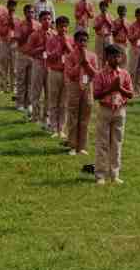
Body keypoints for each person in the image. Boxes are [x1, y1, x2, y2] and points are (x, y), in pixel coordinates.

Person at [92, 44, 134, 185]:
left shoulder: (124, 74)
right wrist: (111, 88)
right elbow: (96, 94)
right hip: (105, 109)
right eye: (113, 56)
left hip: (120, 110)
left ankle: (114, 174)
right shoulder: (100, 74)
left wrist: (120, 88)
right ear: (107, 57)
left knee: (117, 143)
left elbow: (131, 93)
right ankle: (100, 175)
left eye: (118, 56)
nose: (116, 59)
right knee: (102, 143)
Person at [63, 29, 98, 157]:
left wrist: (86, 63)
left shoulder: (93, 56)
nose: (83, 43)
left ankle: (82, 146)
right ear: (75, 42)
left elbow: (95, 74)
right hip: (74, 87)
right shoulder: (70, 56)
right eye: (80, 41)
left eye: (85, 40)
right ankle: (72, 145)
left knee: (85, 117)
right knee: (73, 116)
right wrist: (79, 63)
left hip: (88, 87)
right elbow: (70, 74)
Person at [45, 15, 74, 138]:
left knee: (64, 102)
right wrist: (59, 49)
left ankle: (61, 128)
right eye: (61, 26)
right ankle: (53, 127)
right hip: (55, 72)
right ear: (56, 27)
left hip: (67, 73)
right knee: (53, 101)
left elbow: (75, 56)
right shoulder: (51, 40)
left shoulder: (71, 39)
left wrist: (66, 45)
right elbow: (49, 56)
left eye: (65, 27)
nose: (63, 29)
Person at [26, 10, 53, 128]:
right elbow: (29, 51)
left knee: (49, 92)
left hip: (51, 65)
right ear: (40, 20)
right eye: (44, 19)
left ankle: (46, 115)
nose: (47, 21)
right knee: (36, 90)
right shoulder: (35, 34)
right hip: (38, 63)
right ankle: (35, 114)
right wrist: (42, 48)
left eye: (49, 19)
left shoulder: (54, 35)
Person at [13, 4, 37, 114]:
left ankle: (29, 103)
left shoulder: (38, 25)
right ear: (25, 13)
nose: (30, 14)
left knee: (31, 81)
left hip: (33, 56)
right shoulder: (19, 24)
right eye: (28, 12)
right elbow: (19, 40)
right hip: (22, 54)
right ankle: (19, 103)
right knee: (21, 79)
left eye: (32, 12)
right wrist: (29, 31)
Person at [0, 0, 17, 97]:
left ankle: (14, 87)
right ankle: (3, 87)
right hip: (4, 43)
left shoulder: (17, 19)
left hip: (14, 44)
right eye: (11, 6)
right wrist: (8, 23)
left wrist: (12, 20)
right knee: (3, 65)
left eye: (14, 6)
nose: (12, 8)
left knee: (14, 67)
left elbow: (18, 31)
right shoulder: (2, 18)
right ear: (7, 6)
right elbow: (0, 31)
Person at [127, 7, 140, 95]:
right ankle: (130, 89)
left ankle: (138, 89)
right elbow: (129, 38)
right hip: (135, 48)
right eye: (139, 15)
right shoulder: (132, 26)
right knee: (133, 69)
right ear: (136, 15)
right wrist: (135, 35)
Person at [112, 4, 131, 71]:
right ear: (118, 12)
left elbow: (129, 34)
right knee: (117, 59)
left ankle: (123, 73)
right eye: (120, 11)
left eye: (124, 11)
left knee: (125, 60)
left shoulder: (128, 22)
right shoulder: (115, 21)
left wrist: (124, 25)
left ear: (126, 12)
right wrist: (120, 26)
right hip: (117, 43)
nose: (122, 13)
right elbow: (114, 34)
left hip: (125, 43)